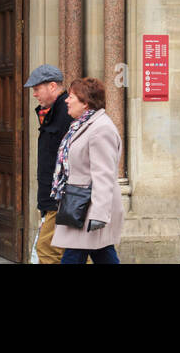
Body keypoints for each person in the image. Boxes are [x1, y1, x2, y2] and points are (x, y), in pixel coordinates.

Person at [50, 77, 124, 264]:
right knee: (102, 253)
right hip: (80, 206)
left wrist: (99, 214)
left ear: (85, 102)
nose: (66, 100)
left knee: (75, 256)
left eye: (72, 96)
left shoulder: (101, 129)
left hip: (89, 208)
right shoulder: (81, 125)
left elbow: (104, 175)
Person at [25, 63, 70, 264]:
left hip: (59, 198)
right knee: (67, 250)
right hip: (52, 197)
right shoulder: (51, 112)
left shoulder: (67, 113)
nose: (34, 94)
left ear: (52, 86)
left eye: (37, 89)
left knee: (47, 249)